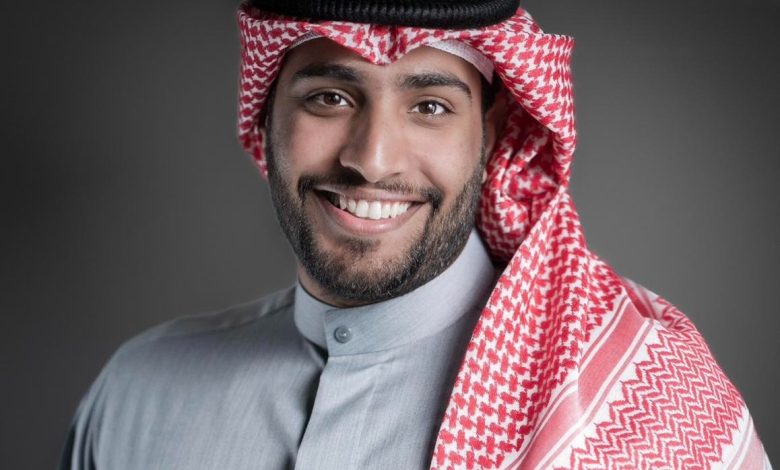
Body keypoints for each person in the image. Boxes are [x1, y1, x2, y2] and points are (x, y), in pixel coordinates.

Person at [60, 0, 771, 468]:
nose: (372, 160)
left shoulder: (648, 405)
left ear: (490, 135)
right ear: (267, 117)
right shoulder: (137, 396)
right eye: (330, 98)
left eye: (430, 106)